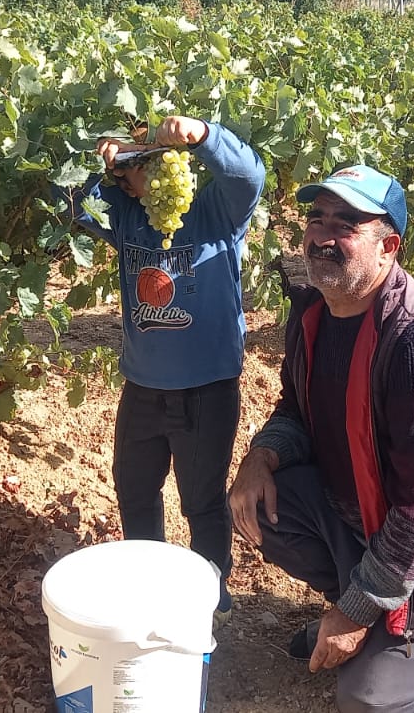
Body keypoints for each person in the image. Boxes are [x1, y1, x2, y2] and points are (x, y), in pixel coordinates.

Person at [227, 164, 414, 712]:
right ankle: (377, 607)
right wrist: (260, 456)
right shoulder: (313, 313)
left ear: (388, 245)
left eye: (346, 224)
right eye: (316, 218)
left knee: (367, 701)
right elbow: (296, 410)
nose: (322, 234)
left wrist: (353, 615)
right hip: (369, 519)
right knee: (267, 507)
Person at [66, 115, 265, 625]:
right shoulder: (127, 218)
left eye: (156, 164)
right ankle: (148, 585)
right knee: (134, 489)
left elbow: (249, 177)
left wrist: (203, 134)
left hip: (207, 392)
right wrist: (99, 158)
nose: (149, 177)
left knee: (201, 502)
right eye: (137, 168)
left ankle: (210, 595)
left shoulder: (214, 213)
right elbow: (68, 201)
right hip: (143, 388)